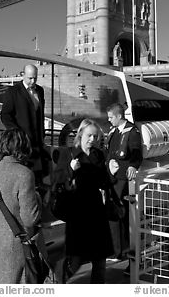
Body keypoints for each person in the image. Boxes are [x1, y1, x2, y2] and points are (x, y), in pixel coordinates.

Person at [0, 128, 43, 284]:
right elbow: (29, 219)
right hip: (15, 245)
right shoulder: (24, 174)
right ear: (24, 147)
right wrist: (38, 197)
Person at [59, 118, 114, 283]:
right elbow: (59, 181)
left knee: (99, 261)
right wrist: (70, 169)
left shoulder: (99, 155)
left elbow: (104, 183)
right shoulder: (69, 154)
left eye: (96, 137)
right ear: (81, 134)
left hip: (96, 211)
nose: (93, 140)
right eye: (90, 136)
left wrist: (111, 172)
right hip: (77, 213)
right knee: (75, 260)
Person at [105, 103, 143, 262]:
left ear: (119, 116)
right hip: (112, 178)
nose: (109, 120)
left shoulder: (132, 132)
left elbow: (136, 153)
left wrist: (133, 166)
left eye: (111, 117)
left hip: (122, 180)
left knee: (122, 215)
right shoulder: (114, 132)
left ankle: (123, 251)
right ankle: (116, 249)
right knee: (113, 214)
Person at [0, 64, 49, 183]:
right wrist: (17, 134)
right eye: (30, 78)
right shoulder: (13, 92)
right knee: (24, 177)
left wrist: (42, 134)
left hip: (37, 142)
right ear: (23, 75)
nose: (33, 81)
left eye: (35, 78)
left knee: (38, 177)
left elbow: (40, 114)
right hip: (22, 143)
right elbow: (5, 115)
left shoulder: (40, 91)